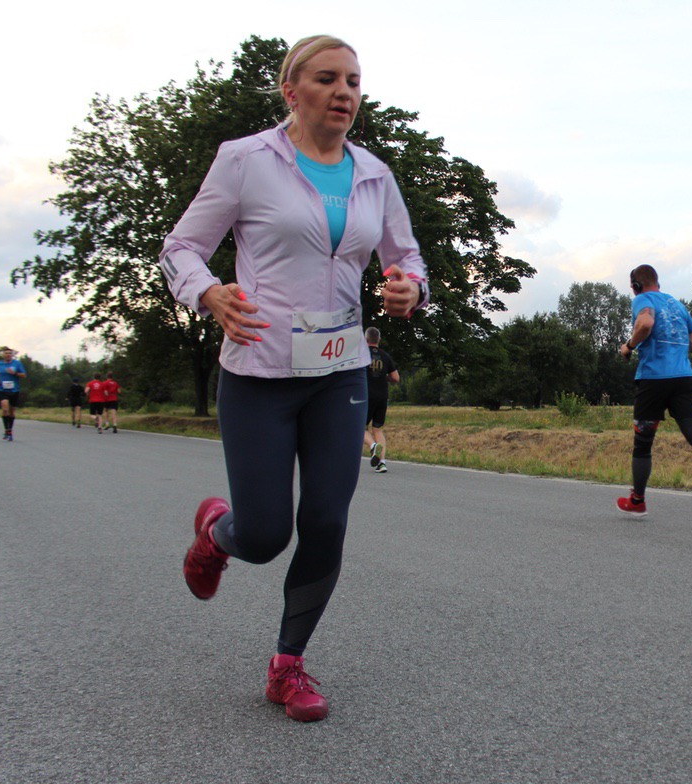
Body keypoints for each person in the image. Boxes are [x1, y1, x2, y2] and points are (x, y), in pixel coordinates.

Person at [160, 34, 429, 723]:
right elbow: (181, 246)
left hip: (340, 371)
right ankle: (218, 534)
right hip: (259, 369)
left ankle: (289, 665)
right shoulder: (246, 161)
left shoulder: (375, 175)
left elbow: (407, 258)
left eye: (354, 82)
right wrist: (208, 293)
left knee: (327, 521)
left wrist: (410, 289)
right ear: (291, 90)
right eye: (328, 78)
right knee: (264, 535)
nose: (344, 92)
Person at [617, 265, 692, 519]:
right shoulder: (678, 305)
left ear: (636, 286)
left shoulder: (642, 300)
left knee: (643, 443)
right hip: (683, 378)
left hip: (653, 379)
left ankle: (638, 501)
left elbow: (646, 323)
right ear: (658, 282)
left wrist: (629, 346)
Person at [362, 327, 399, 473]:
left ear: (365, 339)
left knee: (360, 428)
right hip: (382, 396)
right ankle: (382, 463)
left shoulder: (361, 354)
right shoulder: (385, 356)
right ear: (379, 340)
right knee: (377, 429)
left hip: (365, 396)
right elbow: (395, 378)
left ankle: (372, 446)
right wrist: (384, 377)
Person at [0, 347, 27, 441]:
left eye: (10, 353)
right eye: (6, 353)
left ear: (12, 355)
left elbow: (24, 375)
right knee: (5, 408)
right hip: (2, 389)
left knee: (11, 412)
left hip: (14, 390)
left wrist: (15, 373)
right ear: (3, 355)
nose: (8, 355)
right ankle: (6, 430)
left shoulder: (17, 363)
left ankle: (9, 430)